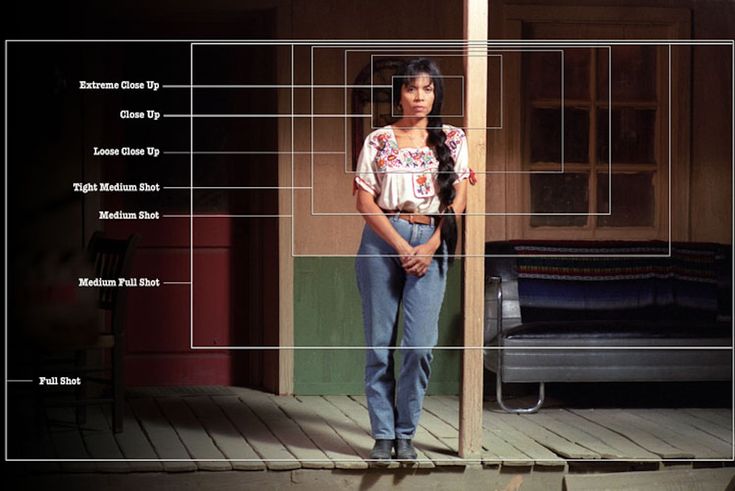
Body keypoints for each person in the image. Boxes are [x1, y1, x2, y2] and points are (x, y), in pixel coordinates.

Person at [352, 58, 471, 463]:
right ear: (399, 93)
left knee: (419, 345)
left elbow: (459, 201)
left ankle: (407, 432)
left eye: (428, 89)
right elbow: (364, 201)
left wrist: (432, 244)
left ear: (437, 94)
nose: (419, 97)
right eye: (411, 89)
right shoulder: (379, 140)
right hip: (383, 240)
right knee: (379, 345)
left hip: (432, 241)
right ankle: (384, 435)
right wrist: (401, 247)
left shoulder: (453, 138)